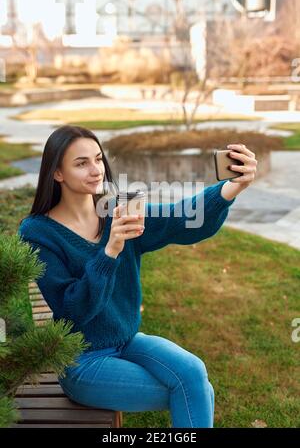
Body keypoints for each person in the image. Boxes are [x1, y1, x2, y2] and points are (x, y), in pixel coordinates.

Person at [18, 125, 257, 428]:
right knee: (193, 389)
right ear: (57, 174)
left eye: (98, 159)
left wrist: (231, 188)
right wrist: (110, 250)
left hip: (127, 341)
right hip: (83, 361)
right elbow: (72, 312)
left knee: (193, 372)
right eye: (82, 163)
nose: (96, 170)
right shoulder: (39, 233)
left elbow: (183, 217)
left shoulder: (118, 211)